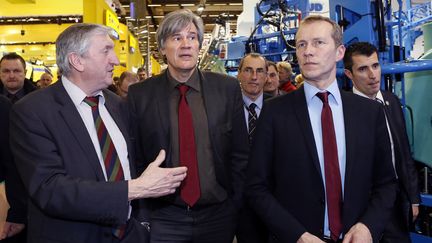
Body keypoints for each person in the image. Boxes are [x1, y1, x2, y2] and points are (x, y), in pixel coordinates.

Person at [9, 23, 187, 243]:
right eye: (106, 51)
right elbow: (50, 189)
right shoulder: (33, 111)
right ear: (77, 60)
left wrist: (143, 225)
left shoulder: (117, 105)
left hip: (129, 235)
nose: (115, 60)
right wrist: (134, 189)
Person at [246, 15, 397, 243]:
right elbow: (256, 186)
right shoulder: (275, 112)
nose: (308, 51)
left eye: (318, 43)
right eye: (301, 44)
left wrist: (368, 227)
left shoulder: (369, 113)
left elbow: (386, 183)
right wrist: (297, 235)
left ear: (339, 52)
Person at [127, 9, 249, 243]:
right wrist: (144, 212)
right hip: (164, 217)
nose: (186, 44)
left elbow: (240, 153)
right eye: (177, 38)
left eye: (192, 37)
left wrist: (235, 204)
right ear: (162, 48)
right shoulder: (139, 95)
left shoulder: (227, 89)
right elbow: (135, 156)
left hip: (218, 216)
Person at [343, 41, 420, 243]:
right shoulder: (342, 110)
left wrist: (413, 197)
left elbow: (403, 151)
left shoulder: (391, 101)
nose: (372, 75)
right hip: (361, 209)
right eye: (363, 68)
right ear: (349, 74)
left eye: (375, 66)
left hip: (396, 202)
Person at [236, 53, 269, 243]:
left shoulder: (280, 110)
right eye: (248, 70)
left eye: (259, 71)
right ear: (239, 74)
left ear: (266, 76)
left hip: (273, 199)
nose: (254, 77)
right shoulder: (226, 109)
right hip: (238, 201)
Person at [0, 53, 29, 243]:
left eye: (16, 71)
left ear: (25, 73)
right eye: (6, 71)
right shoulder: (1, 104)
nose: (11, 75)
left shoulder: (38, 101)